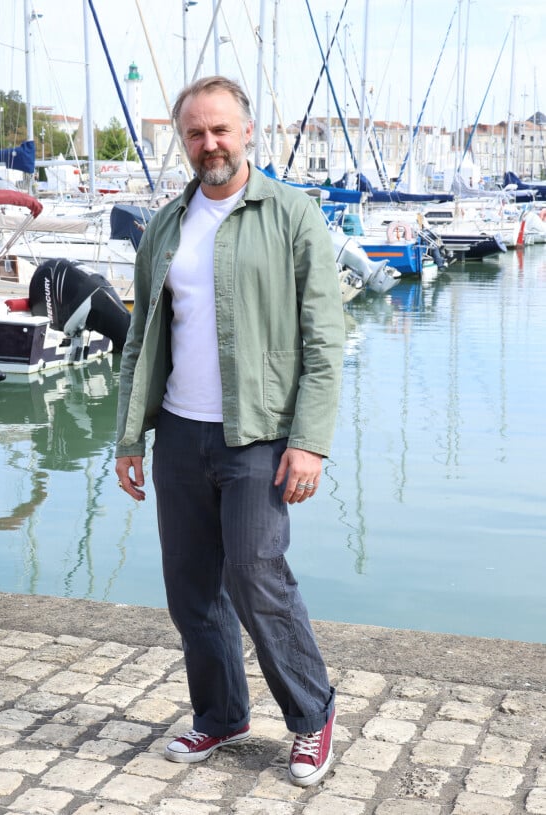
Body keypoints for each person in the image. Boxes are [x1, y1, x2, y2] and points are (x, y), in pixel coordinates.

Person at [115, 76, 344, 788]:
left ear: (247, 132)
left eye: (220, 129)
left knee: (255, 575)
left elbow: (325, 338)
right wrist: (129, 437)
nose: (208, 143)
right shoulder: (164, 225)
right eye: (195, 132)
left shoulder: (292, 214)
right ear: (182, 140)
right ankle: (221, 712)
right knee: (191, 587)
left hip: (261, 435)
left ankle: (312, 715)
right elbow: (139, 341)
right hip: (181, 434)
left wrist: (309, 439)